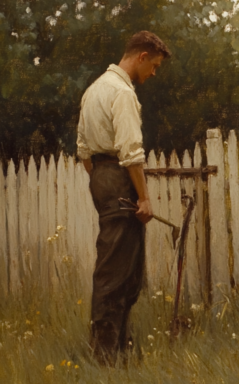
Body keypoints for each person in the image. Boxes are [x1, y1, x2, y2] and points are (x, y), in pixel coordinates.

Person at [76, 30, 171, 365]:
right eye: (155, 66)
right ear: (142, 57)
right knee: (118, 273)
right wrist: (143, 198)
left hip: (100, 177)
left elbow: (84, 152)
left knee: (123, 269)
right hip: (119, 176)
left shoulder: (93, 90)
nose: (154, 74)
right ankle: (104, 357)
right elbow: (132, 152)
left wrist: (103, 180)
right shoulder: (122, 92)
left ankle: (120, 348)